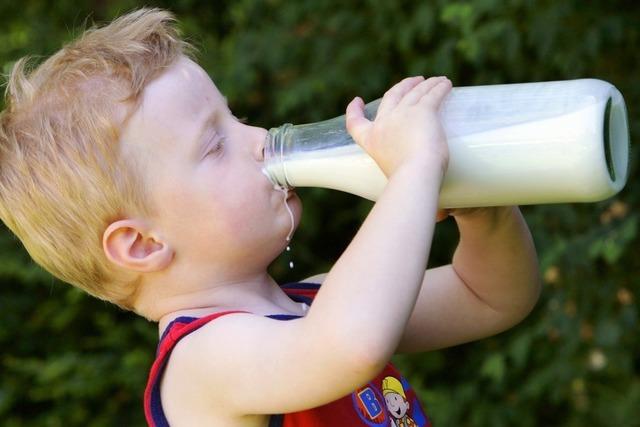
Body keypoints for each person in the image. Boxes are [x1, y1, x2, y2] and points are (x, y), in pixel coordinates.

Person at [0, 8, 542, 427]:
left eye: (235, 117)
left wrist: (483, 215)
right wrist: (413, 171)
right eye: (215, 144)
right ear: (142, 244)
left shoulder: (313, 305)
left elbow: (491, 296)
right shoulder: (201, 361)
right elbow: (348, 345)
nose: (259, 138)